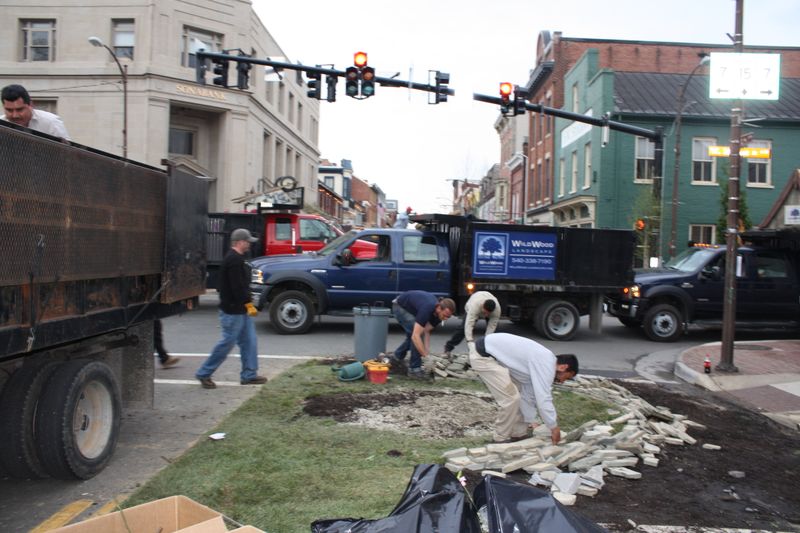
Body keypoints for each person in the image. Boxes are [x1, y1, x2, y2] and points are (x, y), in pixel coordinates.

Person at [469, 333, 578, 445]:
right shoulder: (546, 366)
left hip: (493, 355)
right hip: (483, 357)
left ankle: (518, 434)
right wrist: (554, 427)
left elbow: (528, 397)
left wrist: (533, 421)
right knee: (511, 398)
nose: (563, 381)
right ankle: (499, 439)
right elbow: (544, 399)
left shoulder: (542, 364)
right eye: (567, 377)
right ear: (563, 367)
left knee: (520, 396)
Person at [196, 228, 267, 389]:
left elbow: (238, 286)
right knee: (227, 343)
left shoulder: (237, 258)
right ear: (240, 242)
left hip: (239, 310)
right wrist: (248, 303)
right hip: (232, 311)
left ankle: (249, 375)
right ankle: (204, 373)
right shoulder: (234, 260)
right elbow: (237, 287)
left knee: (249, 341)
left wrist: (246, 304)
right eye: (247, 241)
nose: (249, 244)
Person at [391, 290, 456, 378]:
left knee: (415, 336)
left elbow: (426, 331)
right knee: (416, 336)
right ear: (439, 308)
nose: (445, 319)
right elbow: (416, 336)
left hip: (411, 309)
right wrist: (425, 357)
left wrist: (426, 352)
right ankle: (414, 369)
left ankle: (396, 358)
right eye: (445, 315)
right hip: (400, 306)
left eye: (448, 317)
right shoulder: (427, 308)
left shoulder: (438, 316)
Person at [1, 84, 70, 139]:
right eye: (9, 110)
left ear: (31, 105)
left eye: (20, 109)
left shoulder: (51, 122)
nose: (15, 115)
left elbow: (68, 152)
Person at [444, 291, 501, 356]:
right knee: (463, 329)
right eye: (485, 313)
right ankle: (448, 347)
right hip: (474, 301)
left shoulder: (497, 311)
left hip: (487, 306)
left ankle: (489, 353)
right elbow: (469, 325)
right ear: (482, 306)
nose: (486, 315)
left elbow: (491, 327)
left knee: (492, 336)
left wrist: (485, 342)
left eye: (488, 314)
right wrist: (470, 342)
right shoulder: (474, 305)